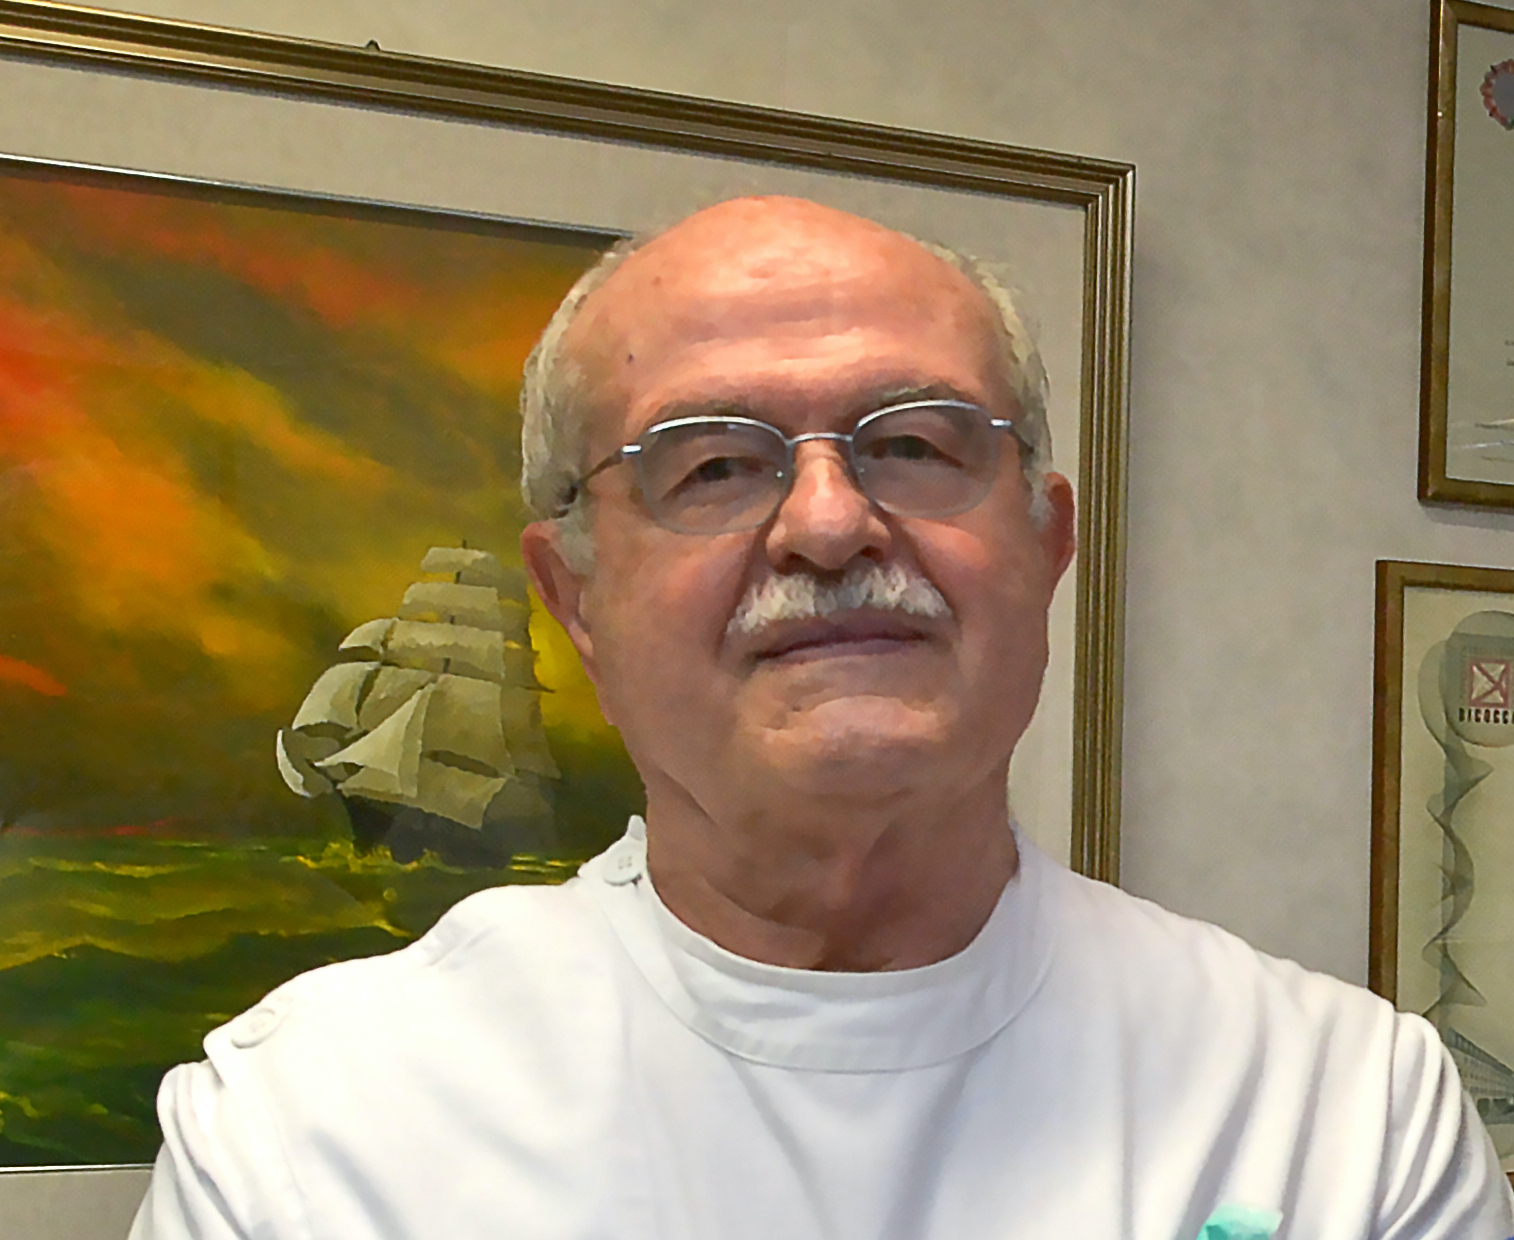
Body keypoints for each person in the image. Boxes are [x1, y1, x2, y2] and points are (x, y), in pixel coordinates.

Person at [129, 197, 1514, 1239]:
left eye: (913, 443)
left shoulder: (1343, 1116)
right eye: (713, 466)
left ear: (1045, 545)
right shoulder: (310, 1137)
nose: (831, 522)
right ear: (576, 598)